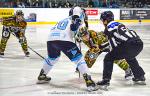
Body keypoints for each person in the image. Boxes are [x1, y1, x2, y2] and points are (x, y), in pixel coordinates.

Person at [36, 6, 97, 92]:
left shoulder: (64, 20)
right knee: (79, 60)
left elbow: (71, 31)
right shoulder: (77, 15)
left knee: (52, 59)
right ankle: (89, 82)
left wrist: (77, 35)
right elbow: (73, 26)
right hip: (64, 40)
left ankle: (42, 75)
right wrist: (77, 21)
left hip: (51, 40)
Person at [97, 11, 146, 90]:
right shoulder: (119, 24)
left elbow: (113, 46)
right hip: (139, 44)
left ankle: (106, 80)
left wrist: (105, 49)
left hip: (128, 45)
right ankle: (140, 76)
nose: (102, 22)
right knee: (130, 57)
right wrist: (104, 46)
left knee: (108, 58)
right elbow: (122, 39)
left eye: (103, 20)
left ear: (105, 20)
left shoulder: (108, 28)